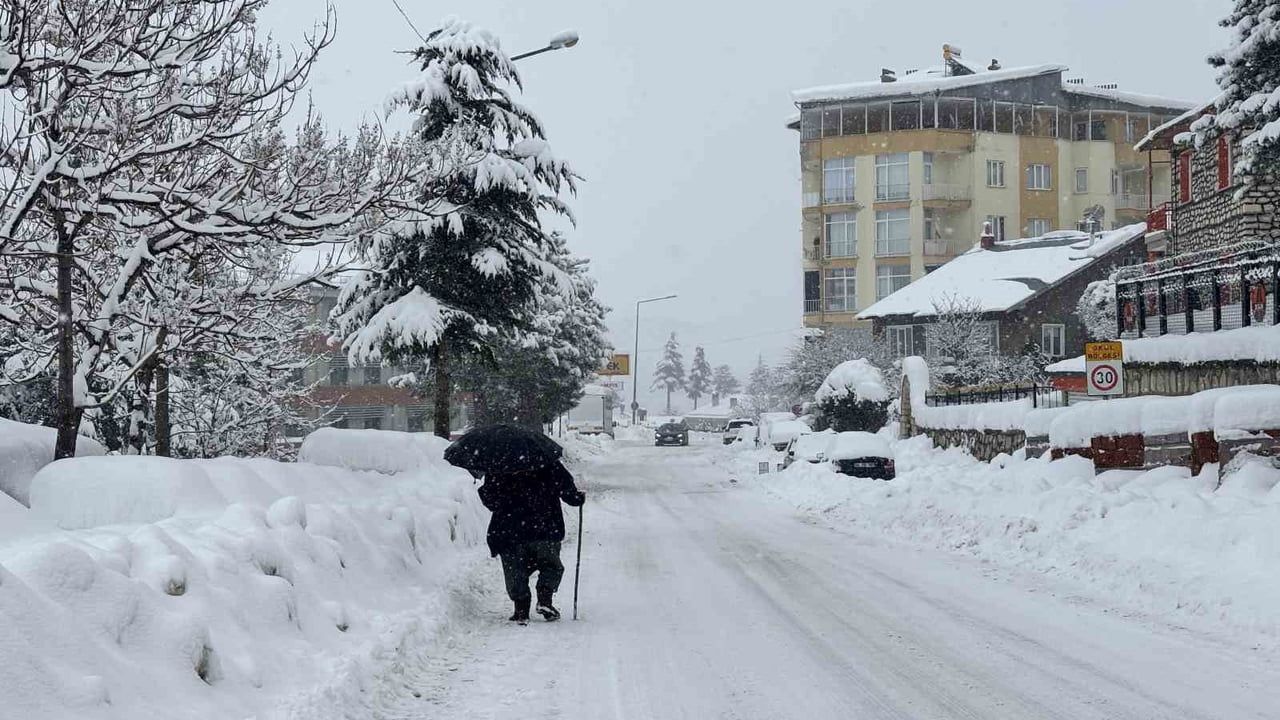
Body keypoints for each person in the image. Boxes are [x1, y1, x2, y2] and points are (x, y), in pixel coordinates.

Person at [477, 459, 585, 623]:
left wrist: (493, 489)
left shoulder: (499, 465)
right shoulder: (547, 461)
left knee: (515, 569)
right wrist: (577, 498)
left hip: (509, 529)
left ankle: (521, 609)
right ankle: (544, 598)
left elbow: (491, 501)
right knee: (551, 566)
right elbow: (567, 490)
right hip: (545, 526)